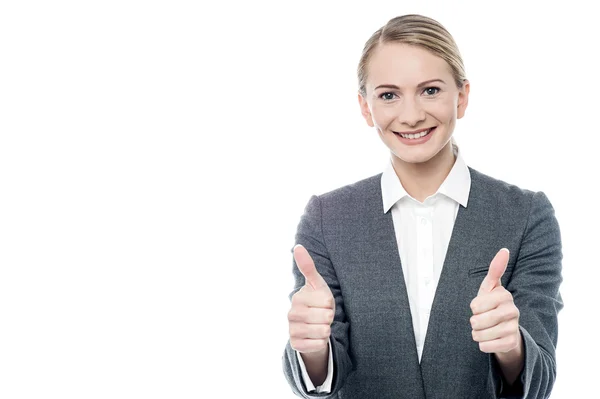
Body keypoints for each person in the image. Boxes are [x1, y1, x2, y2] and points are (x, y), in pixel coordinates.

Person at [282, 14, 563, 399]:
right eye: (388, 95)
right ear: (366, 108)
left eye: (430, 90)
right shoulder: (327, 220)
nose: (411, 115)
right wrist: (312, 349)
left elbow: (540, 378)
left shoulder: (526, 216)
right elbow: (323, 372)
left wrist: (511, 344)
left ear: (461, 97)